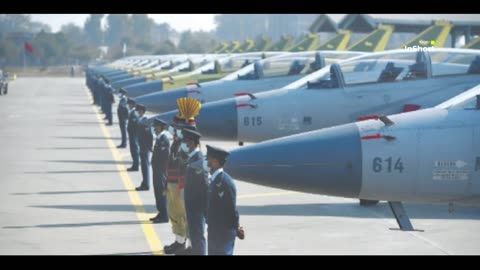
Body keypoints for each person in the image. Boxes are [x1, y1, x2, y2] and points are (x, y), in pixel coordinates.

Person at [205, 145, 243, 255]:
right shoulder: (215, 180)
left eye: (209, 160)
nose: (207, 162)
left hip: (223, 233)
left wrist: (236, 228)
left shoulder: (225, 183)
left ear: (216, 162)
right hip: (215, 230)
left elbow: (231, 210)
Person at [182, 128, 208, 255]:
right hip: (191, 204)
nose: (184, 144)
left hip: (196, 205)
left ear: (192, 142)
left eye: (186, 141)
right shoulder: (192, 157)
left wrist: (202, 207)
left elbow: (203, 185)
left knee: (198, 235)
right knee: (193, 233)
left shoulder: (198, 158)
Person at [150, 118, 170, 223]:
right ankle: (160, 213)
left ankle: (164, 215)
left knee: (162, 192)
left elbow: (165, 157)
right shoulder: (159, 138)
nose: (154, 128)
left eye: (156, 126)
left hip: (161, 171)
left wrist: (163, 172)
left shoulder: (164, 139)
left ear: (160, 127)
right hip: (157, 170)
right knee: (157, 192)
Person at [135, 104, 153, 191]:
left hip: (144, 148)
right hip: (142, 146)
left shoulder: (146, 121)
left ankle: (146, 184)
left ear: (142, 111)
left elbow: (149, 135)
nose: (137, 112)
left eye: (138, 111)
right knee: (143, 166)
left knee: (145, 166)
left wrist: (149, 147)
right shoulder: (141, 120)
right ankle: (144, 182)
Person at [126, 98, 140, 172]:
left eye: (130, 104)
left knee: (134, 150)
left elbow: (135, 125)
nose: (128, 105)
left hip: (134, 135)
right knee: (133, 150)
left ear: (133, 104)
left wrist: (133, 134)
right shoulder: (132, 112)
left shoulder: (134, 113)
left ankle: (136, 165)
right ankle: (134, 164)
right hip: (132, 135)